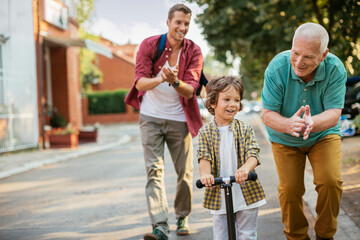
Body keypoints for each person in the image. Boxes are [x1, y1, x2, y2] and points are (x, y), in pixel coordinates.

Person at [124, 3, 203, 240]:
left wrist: (175, 82)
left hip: (179, 119)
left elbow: (190, 91)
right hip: (151, 117)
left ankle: (182, 216)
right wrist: (161, 78)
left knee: (185, 173)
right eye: (178, 22)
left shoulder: (194, 51)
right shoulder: (150, 45)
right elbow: (140, 83)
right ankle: (159, 226)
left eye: (186, 24)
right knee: (154, 172)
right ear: (168, 22)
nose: (182, 27)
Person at [261, 22, 347, 240]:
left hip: (322, 134)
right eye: (295, 53)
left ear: (323, 54)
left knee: (330, 182)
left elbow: (335, 112)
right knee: (290, 190)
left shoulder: (336, 69)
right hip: (284, 137)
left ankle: (325, 235)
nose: (299, 62)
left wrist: (312, 122)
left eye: (308, 57)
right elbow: (268, 114)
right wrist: (289, 125)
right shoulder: (277, 67)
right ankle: (297, 237)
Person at [198, 76, 266, 240]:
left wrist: (245, 169)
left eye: (236, 100)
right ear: (213, 102)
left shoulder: (245, 129)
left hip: (246, 192)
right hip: (219, 194)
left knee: (247, 235)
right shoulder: (205, 132)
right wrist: (206, 175)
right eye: (227, 99)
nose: (233, 104)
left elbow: (253, 154)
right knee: (220, 236)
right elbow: (203, 157)